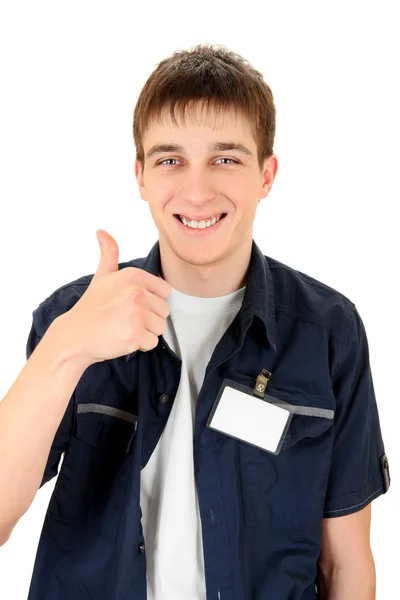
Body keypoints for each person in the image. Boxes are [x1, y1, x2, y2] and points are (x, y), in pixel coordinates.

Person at [0, 43, 391, 600]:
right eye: (170, 159)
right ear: (140, 175)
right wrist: (66, 348)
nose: (198, 190)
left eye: (226, 158)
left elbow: (347, 566)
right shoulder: (71, 318)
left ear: (267, 174)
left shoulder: (330, 333)